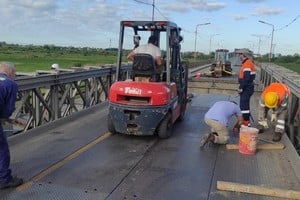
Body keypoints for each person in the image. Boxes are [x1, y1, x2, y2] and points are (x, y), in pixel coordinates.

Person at [0, 61, 23, 189]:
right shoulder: (10, 84)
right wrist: (8, 119)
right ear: (10, 72)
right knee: (1, 149)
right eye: (15, 74)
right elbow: (7, 110)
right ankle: (4, 179)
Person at [236, 49, 256, 126]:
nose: (239, 56)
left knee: (243, 106)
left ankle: (246, 123)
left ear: (244, 55)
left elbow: (246, 78)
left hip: (247, 88)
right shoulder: (247, 63)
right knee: (245, 106)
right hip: (248, 87)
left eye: (240, 54)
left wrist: (241, 88)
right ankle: (246, 122)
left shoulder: (247, 64)